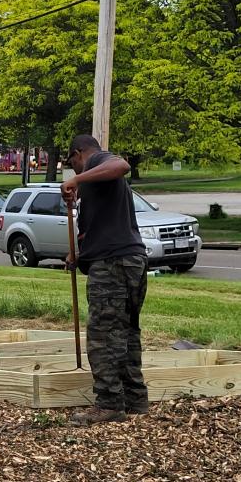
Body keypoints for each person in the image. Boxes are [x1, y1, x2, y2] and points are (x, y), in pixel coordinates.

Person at [60, 135, 148, 426]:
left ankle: (109, 403)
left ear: (78, 154)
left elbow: (121, 165)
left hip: (114, 264)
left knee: (102, 336)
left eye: (72, 163)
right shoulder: (96, 185)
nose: (72, 170)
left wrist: (77, 180)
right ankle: (135, 398)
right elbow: (100, 228)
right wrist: (79, 255)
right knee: (125, 331)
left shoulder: (99, 160)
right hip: (128, 260)